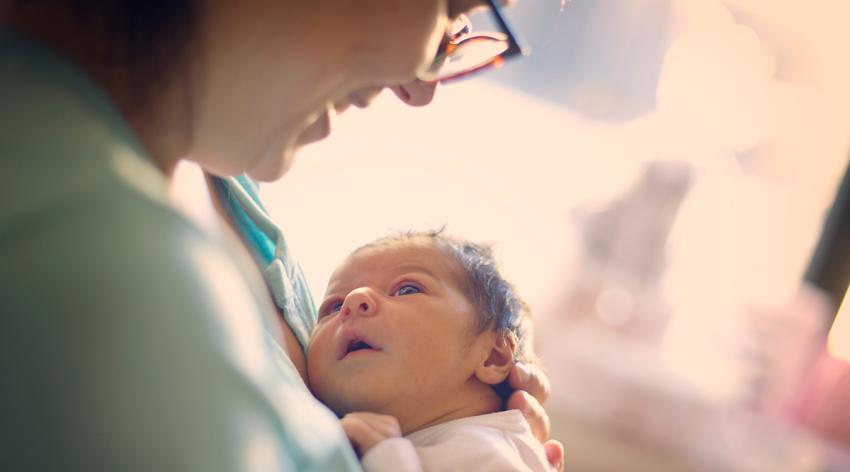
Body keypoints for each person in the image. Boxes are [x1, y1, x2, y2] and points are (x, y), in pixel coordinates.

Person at [0, 1, 563, 470]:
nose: (420, 88)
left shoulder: (229, 189)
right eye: (450, 10)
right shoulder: (81, 248)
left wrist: (457, 430)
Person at [307, 231, 551, 471]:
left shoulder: (488, 447)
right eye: (334, 306)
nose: (353, 300)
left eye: (407, 290)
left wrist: (386, 459)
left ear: (492, 356)